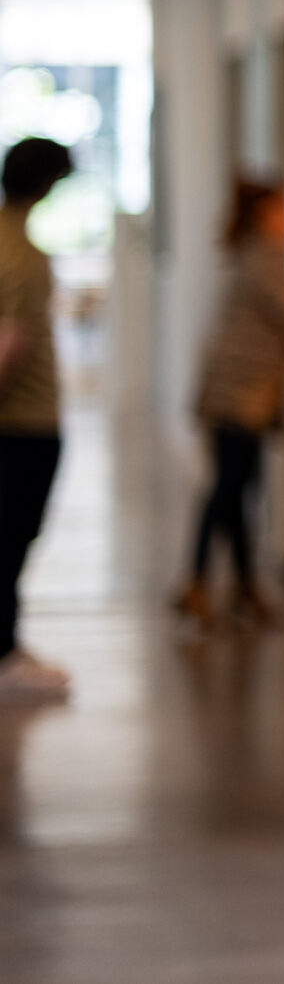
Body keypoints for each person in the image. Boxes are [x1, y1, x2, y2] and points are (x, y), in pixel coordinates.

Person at [174, 179, 284, 627]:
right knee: (229, 488)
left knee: (241, 486)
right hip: (240, 394)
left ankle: (245, 585)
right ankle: (196, 580)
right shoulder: (265, 257)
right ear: (268, 214)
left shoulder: (254, 252)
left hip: (237, 391)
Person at [0, 136, 76, 702]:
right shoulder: (23, 256)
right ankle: (4, 654)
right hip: (24, 423)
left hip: (20, 423)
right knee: (11, 537)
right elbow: (9, 345)